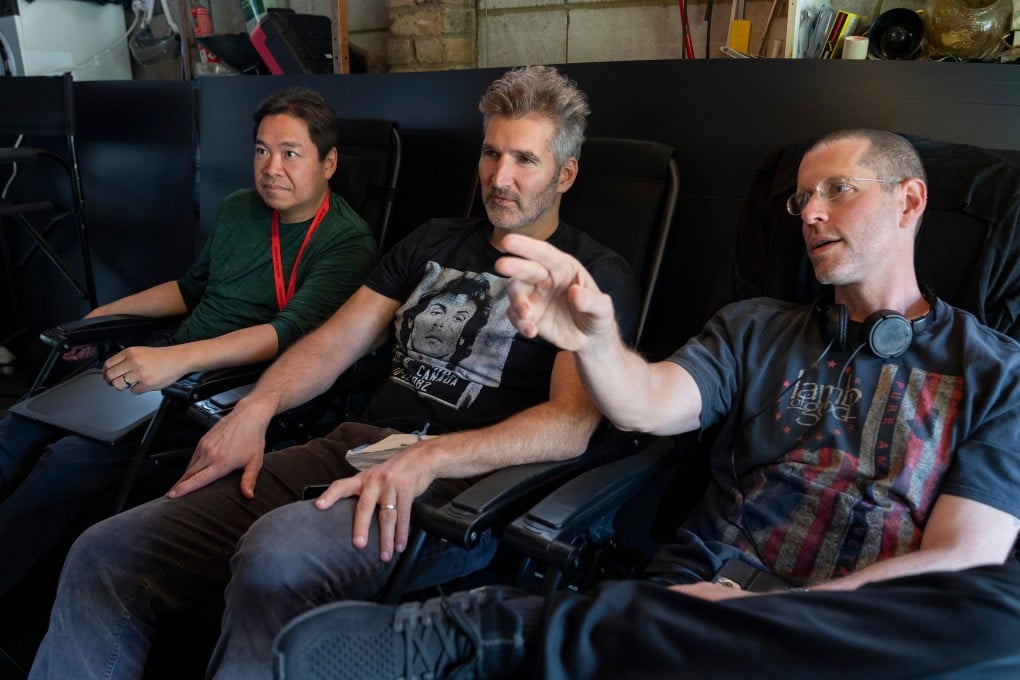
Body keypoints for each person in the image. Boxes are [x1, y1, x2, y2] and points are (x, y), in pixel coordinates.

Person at [289, 129, 1020, 678]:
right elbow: (648, 403)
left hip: (865, 634)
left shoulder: (999, 372)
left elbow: (961, 560)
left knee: (999, 619)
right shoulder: (757, 326)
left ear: (909, 199)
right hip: (707, 591)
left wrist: (766, 616)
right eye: (802, 198)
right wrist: (597, 341)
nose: (810, 214)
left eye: (839, 190)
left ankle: (504, 633)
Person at [28, 65, 640, 680]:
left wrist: (431, 458)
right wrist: (257, 409)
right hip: (355, 451)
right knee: (104, 551)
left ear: (565, 173)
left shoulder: (592, 276)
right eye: (490, 152)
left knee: (275, 558)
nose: (499, 177)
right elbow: (330, 345)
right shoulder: (433, 241)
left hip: (457, 489)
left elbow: (568, 426)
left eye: (524, 161)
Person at [0, 86, 377, 597]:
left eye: (291, 153)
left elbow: (287, 334)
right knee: (20, 426)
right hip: (170, 363)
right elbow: (188, 289)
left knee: (65, 460)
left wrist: (173, 361)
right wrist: (104, 314)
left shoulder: (346, 240)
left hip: (219, 390)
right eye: (262, 150)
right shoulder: (241, 207)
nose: (271, 167)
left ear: (328, 162)